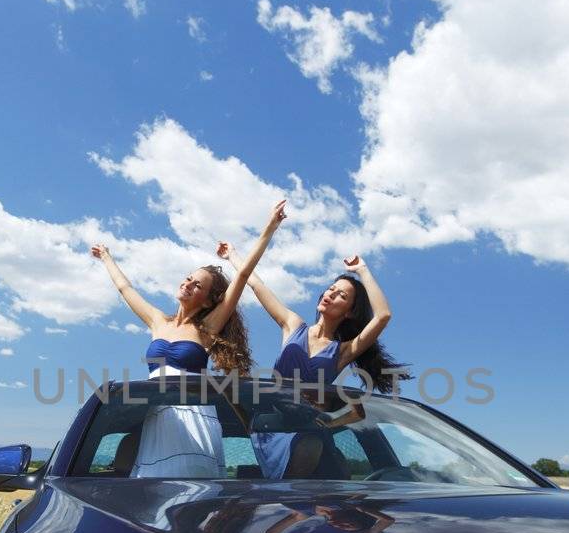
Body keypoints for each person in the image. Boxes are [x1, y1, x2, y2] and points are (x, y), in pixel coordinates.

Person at [92, 199, 287, 477]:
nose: (188, 284)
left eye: (198, 285)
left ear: (208, 301)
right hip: (157, 416)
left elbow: (242, 275)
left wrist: (270, 227)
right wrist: (107, 257)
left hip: (193, 417)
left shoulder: (208, 326)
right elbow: (125, 288)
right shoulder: (158, 321)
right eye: (188, 279)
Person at [215, 245, 407, 478]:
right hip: (273, 427)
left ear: (348, 312)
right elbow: (256, 285)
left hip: (307, 432)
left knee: (310, 446)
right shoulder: (293, 325)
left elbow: (383, 316)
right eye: (331, 289)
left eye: (341, 296)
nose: (331, 294)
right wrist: (232, 255)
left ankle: (294, 504)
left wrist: (362, 270)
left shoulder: (343, 351)